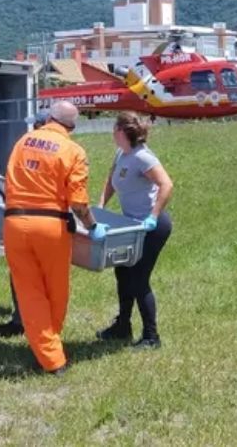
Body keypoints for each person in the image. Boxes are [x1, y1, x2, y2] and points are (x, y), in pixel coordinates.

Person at [3, 101, 107, 375]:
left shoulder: (22, 142)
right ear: (71, 127)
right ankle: (53, 357)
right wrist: (92, 226)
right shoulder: (73, 150)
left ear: (49, 118)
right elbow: (78, 203)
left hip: (14, 223)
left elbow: (9, 181)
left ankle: (46, 348)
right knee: (55, 290)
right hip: (51, 226)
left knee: (29, 292)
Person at [97, 111, 174, 350]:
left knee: (139, 279)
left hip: (151, 227)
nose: (112, 132)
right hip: (129, 225)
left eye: (114, 128)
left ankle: (152, 337)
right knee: (122, 272)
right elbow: (111, 179)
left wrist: (152, 216)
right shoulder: (122, 153)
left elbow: (166, 184)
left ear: (122, 131)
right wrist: (99, 207)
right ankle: (123, 326)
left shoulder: (143, 157)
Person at [0, 109, 51, 338]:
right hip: (47, 222)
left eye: (36, 125)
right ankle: (35, 323)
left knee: (23, 274)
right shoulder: (63, 149)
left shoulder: (24, 148)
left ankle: (29, 323)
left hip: (26, 220)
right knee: (38, 275)